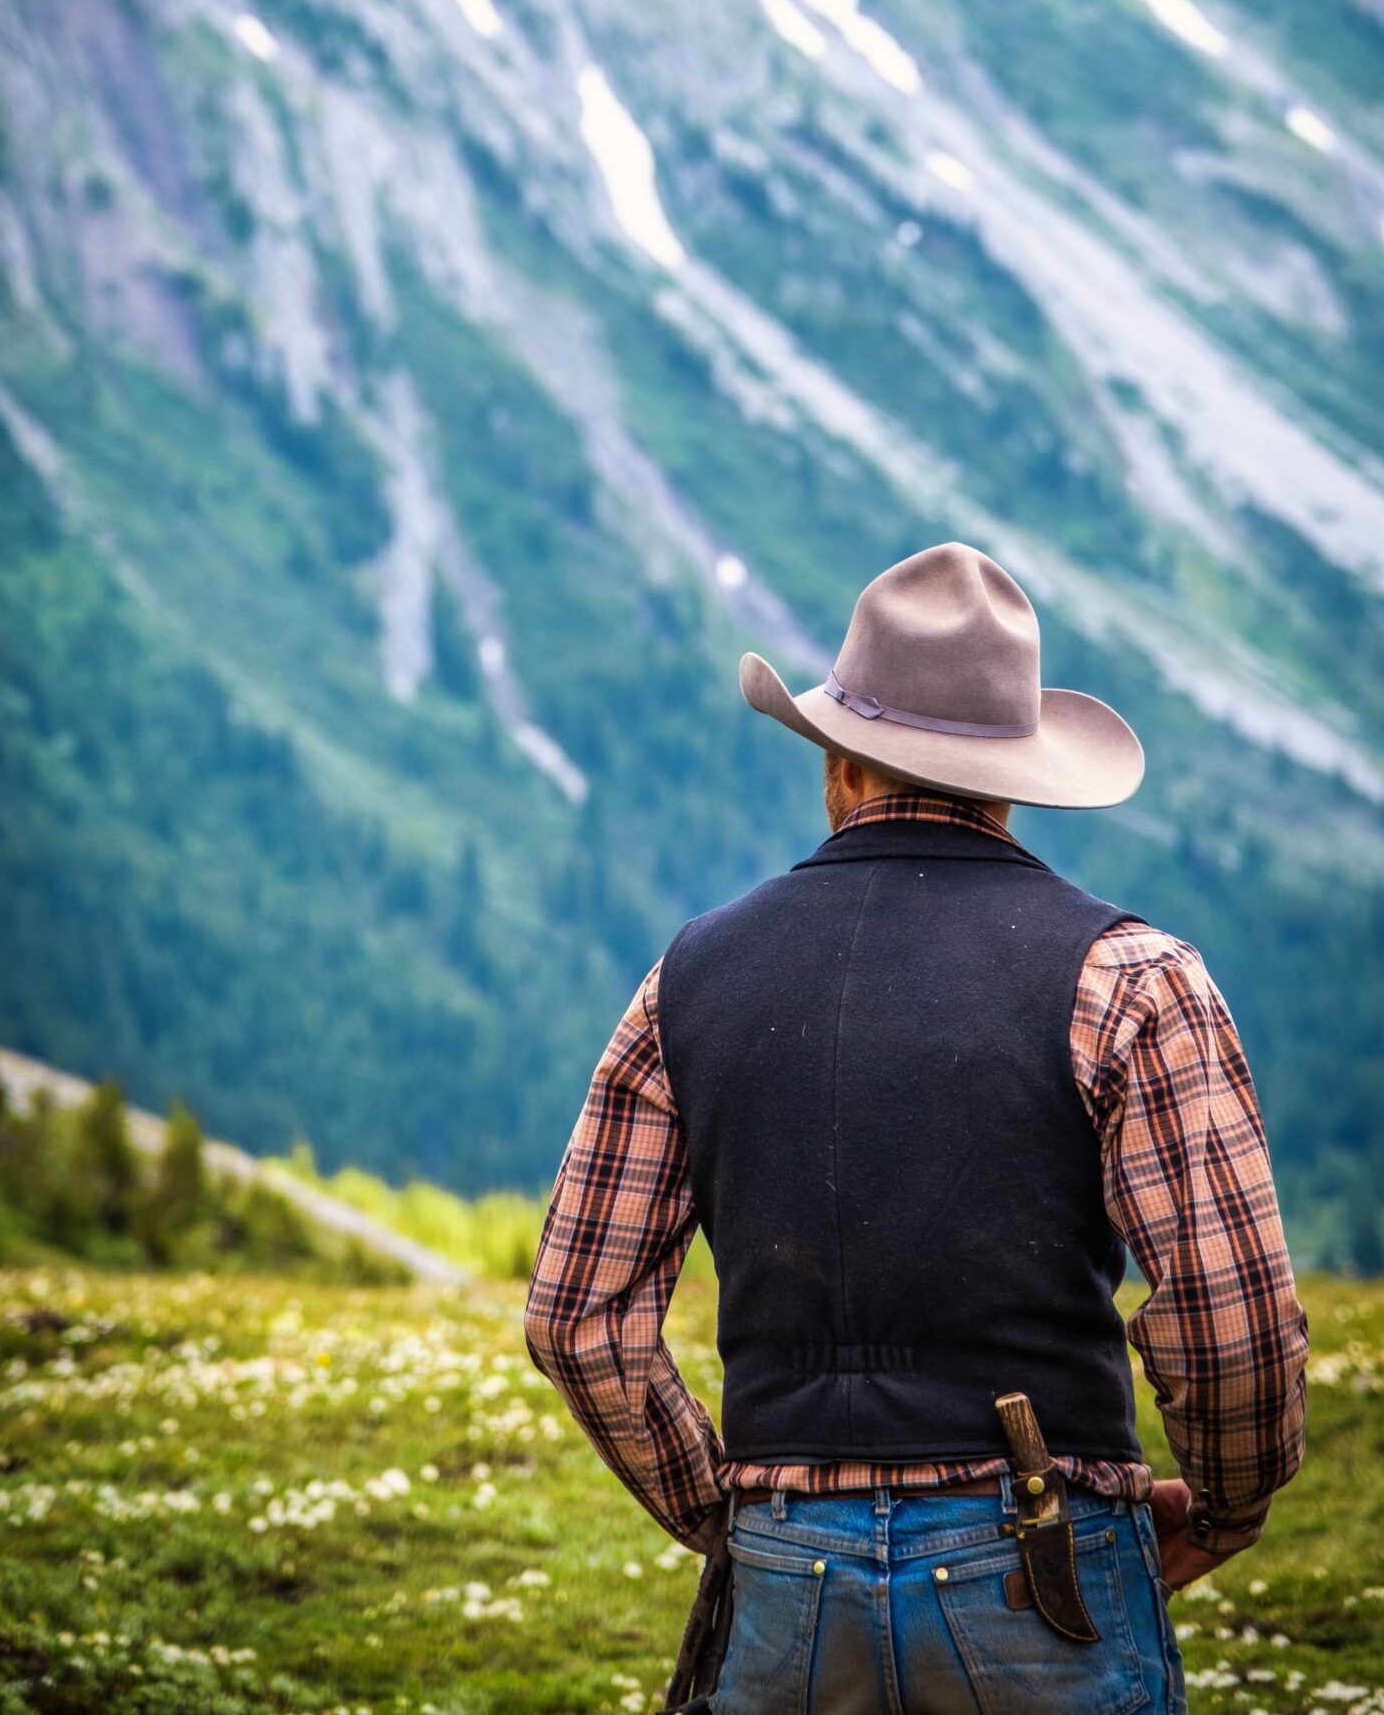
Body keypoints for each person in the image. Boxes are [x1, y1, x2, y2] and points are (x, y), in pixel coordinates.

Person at [527, 542, 1307, 1712]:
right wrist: (1229, 1503)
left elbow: (575, 1317)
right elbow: (1233, 1325)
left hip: (788, 1571)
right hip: (1042, 1560)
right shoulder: (1135, 981)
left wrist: (725, 1507)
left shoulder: (685, 983)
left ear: (840, 764)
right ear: (1012, 781)